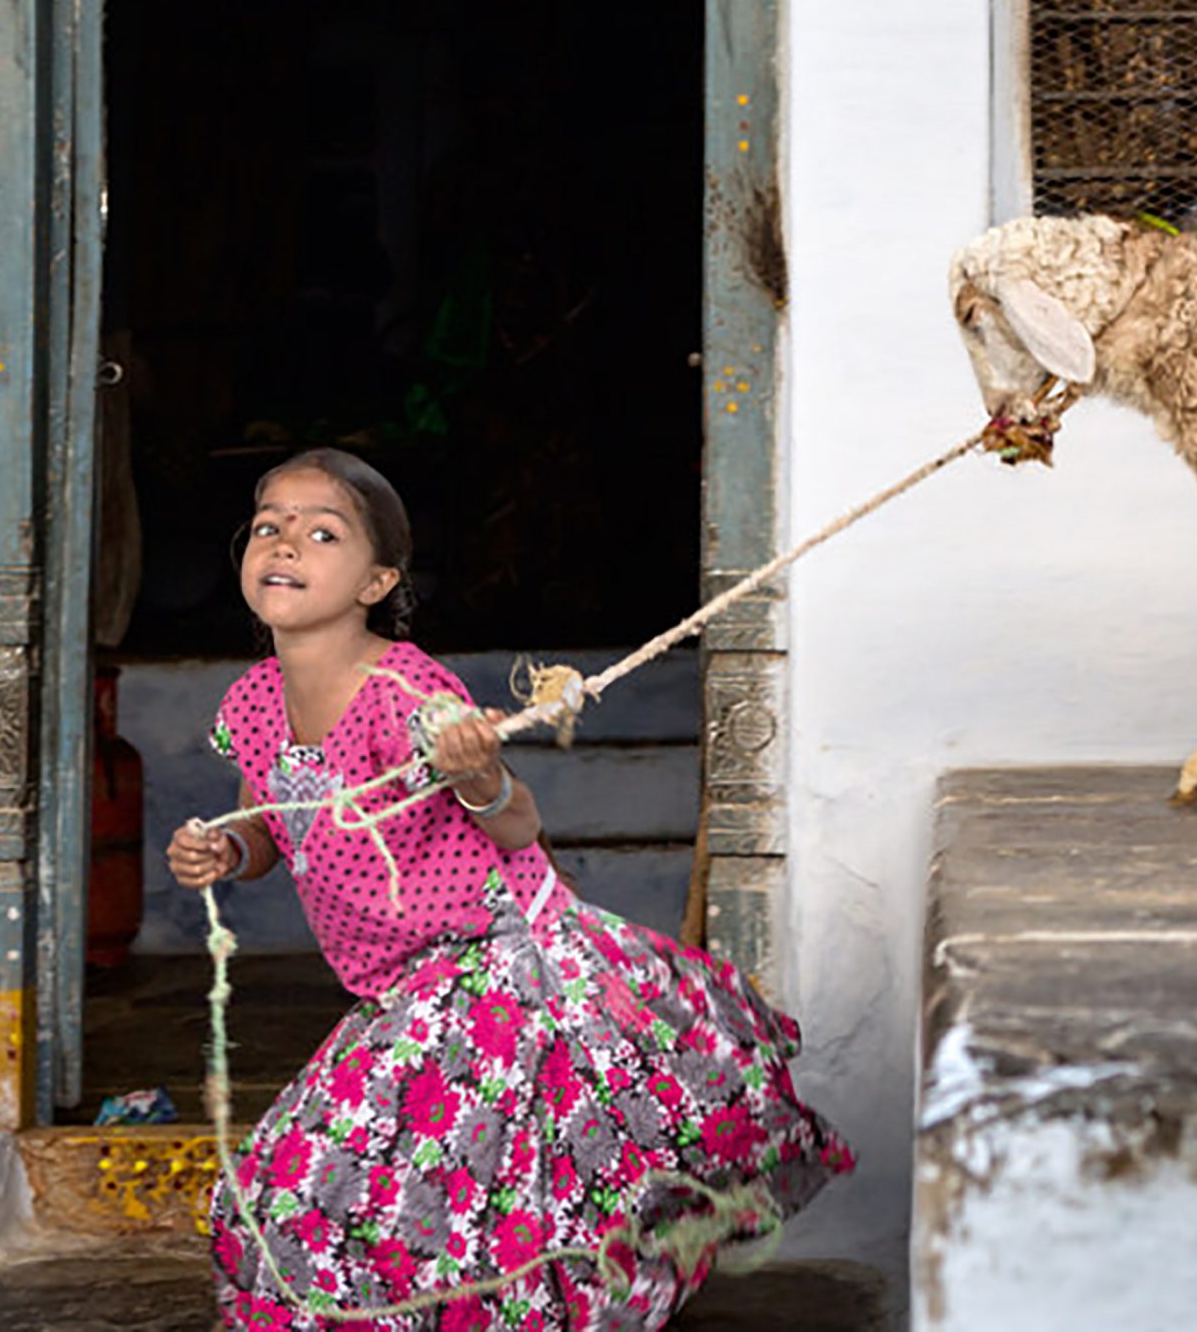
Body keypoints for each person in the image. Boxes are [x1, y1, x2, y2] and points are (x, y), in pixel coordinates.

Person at [168, 448, 851, 1330]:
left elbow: (515, 823)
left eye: (321, 531)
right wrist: (228, 850)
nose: (286, 544)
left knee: (358, 1177)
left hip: (494, 960)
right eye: (269, 527)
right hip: (395, 982)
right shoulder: (252, 702)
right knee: (396, 1186)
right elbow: (267, 819)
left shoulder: (407, 690)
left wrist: (477, 775)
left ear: (377, 580)